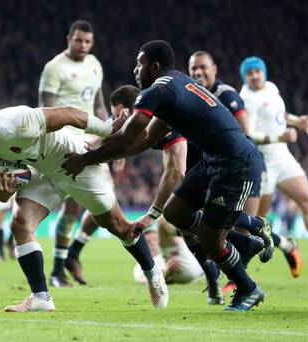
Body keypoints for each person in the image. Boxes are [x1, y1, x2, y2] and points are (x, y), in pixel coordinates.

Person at [62, 40, 269, 311]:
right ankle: (245, 241)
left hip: (235, 163)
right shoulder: (176, 83)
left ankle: (248, 288)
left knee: (210, 239)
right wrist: (104, 155)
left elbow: (128, 138)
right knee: (175, 213)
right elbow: (146, 138)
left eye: (140, 63)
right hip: (213, 160)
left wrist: (85, 160)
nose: (135, 69)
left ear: (155, 66)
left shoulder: (156, 91)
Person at [0, 105, 167, 312]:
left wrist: (108, 131)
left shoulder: (17, 122)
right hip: (41, 172)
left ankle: (152, 272)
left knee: (119, 227)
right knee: (20, 224)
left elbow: (69, 114)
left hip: (74, 161)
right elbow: (3, 196)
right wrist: (4, 192)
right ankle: (41, 297)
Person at [65, 85, 205, 289]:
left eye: (122, 115)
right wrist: (106, 150)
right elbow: (109, 133)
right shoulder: (132, 120)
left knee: (189, 218)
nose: (118, 120)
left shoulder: (165, 120)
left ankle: (226, 257)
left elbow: (176, 171)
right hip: (193, 166)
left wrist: (152, 214)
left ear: (136, 111)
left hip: (206, 160)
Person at [188, 51, 302, 287]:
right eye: (193, 69)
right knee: (221, 222)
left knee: (237, 225)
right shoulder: (193, 96)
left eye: (203, 68)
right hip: (214, 169)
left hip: (241, 168)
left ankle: (238, 280)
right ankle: (285, 245)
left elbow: (245, 135)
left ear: (214, 69)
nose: (198, 73)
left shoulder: (227, 95)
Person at [239, 56, 308, 270]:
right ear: (245, 78)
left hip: (283, 156)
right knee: (257, 219)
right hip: (263, 162)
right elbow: (248, 134)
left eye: (257, 72)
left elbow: (278, 115)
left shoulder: (271, 88)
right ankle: (245, 267)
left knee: (307, 200)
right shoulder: (247, 99)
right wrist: (278, 138)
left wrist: (297, 121)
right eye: (249, 73)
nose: (254, 76)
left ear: (264, 72)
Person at [38, 20, 108, 288]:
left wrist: (111, 137)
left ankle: (71, 256)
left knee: (102, 207)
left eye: (88, 42)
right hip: (66, 143)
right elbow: (46, 111)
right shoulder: (54, 68)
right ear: (69, 38)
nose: (83, 46)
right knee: (70, 207)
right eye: (79, 40)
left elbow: (99, 105)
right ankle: (57, 269)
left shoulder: (94, 64)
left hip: (93, 142)